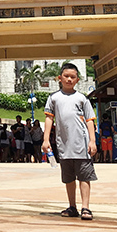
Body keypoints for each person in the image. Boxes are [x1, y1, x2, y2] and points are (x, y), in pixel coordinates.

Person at [42, 62, 97, 221]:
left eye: (72, 77)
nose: (69, 79)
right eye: (66, 76)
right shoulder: (53, 98)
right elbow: (48, 118)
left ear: (77, 80)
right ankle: (72, 206)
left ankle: (85, 207)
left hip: (82, 144)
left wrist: (92, 141)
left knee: (84, 177)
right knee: (68, 178)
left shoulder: (82, 99)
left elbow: (89, 120)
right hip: (63, 145)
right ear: (59, 78)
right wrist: (46, 140)